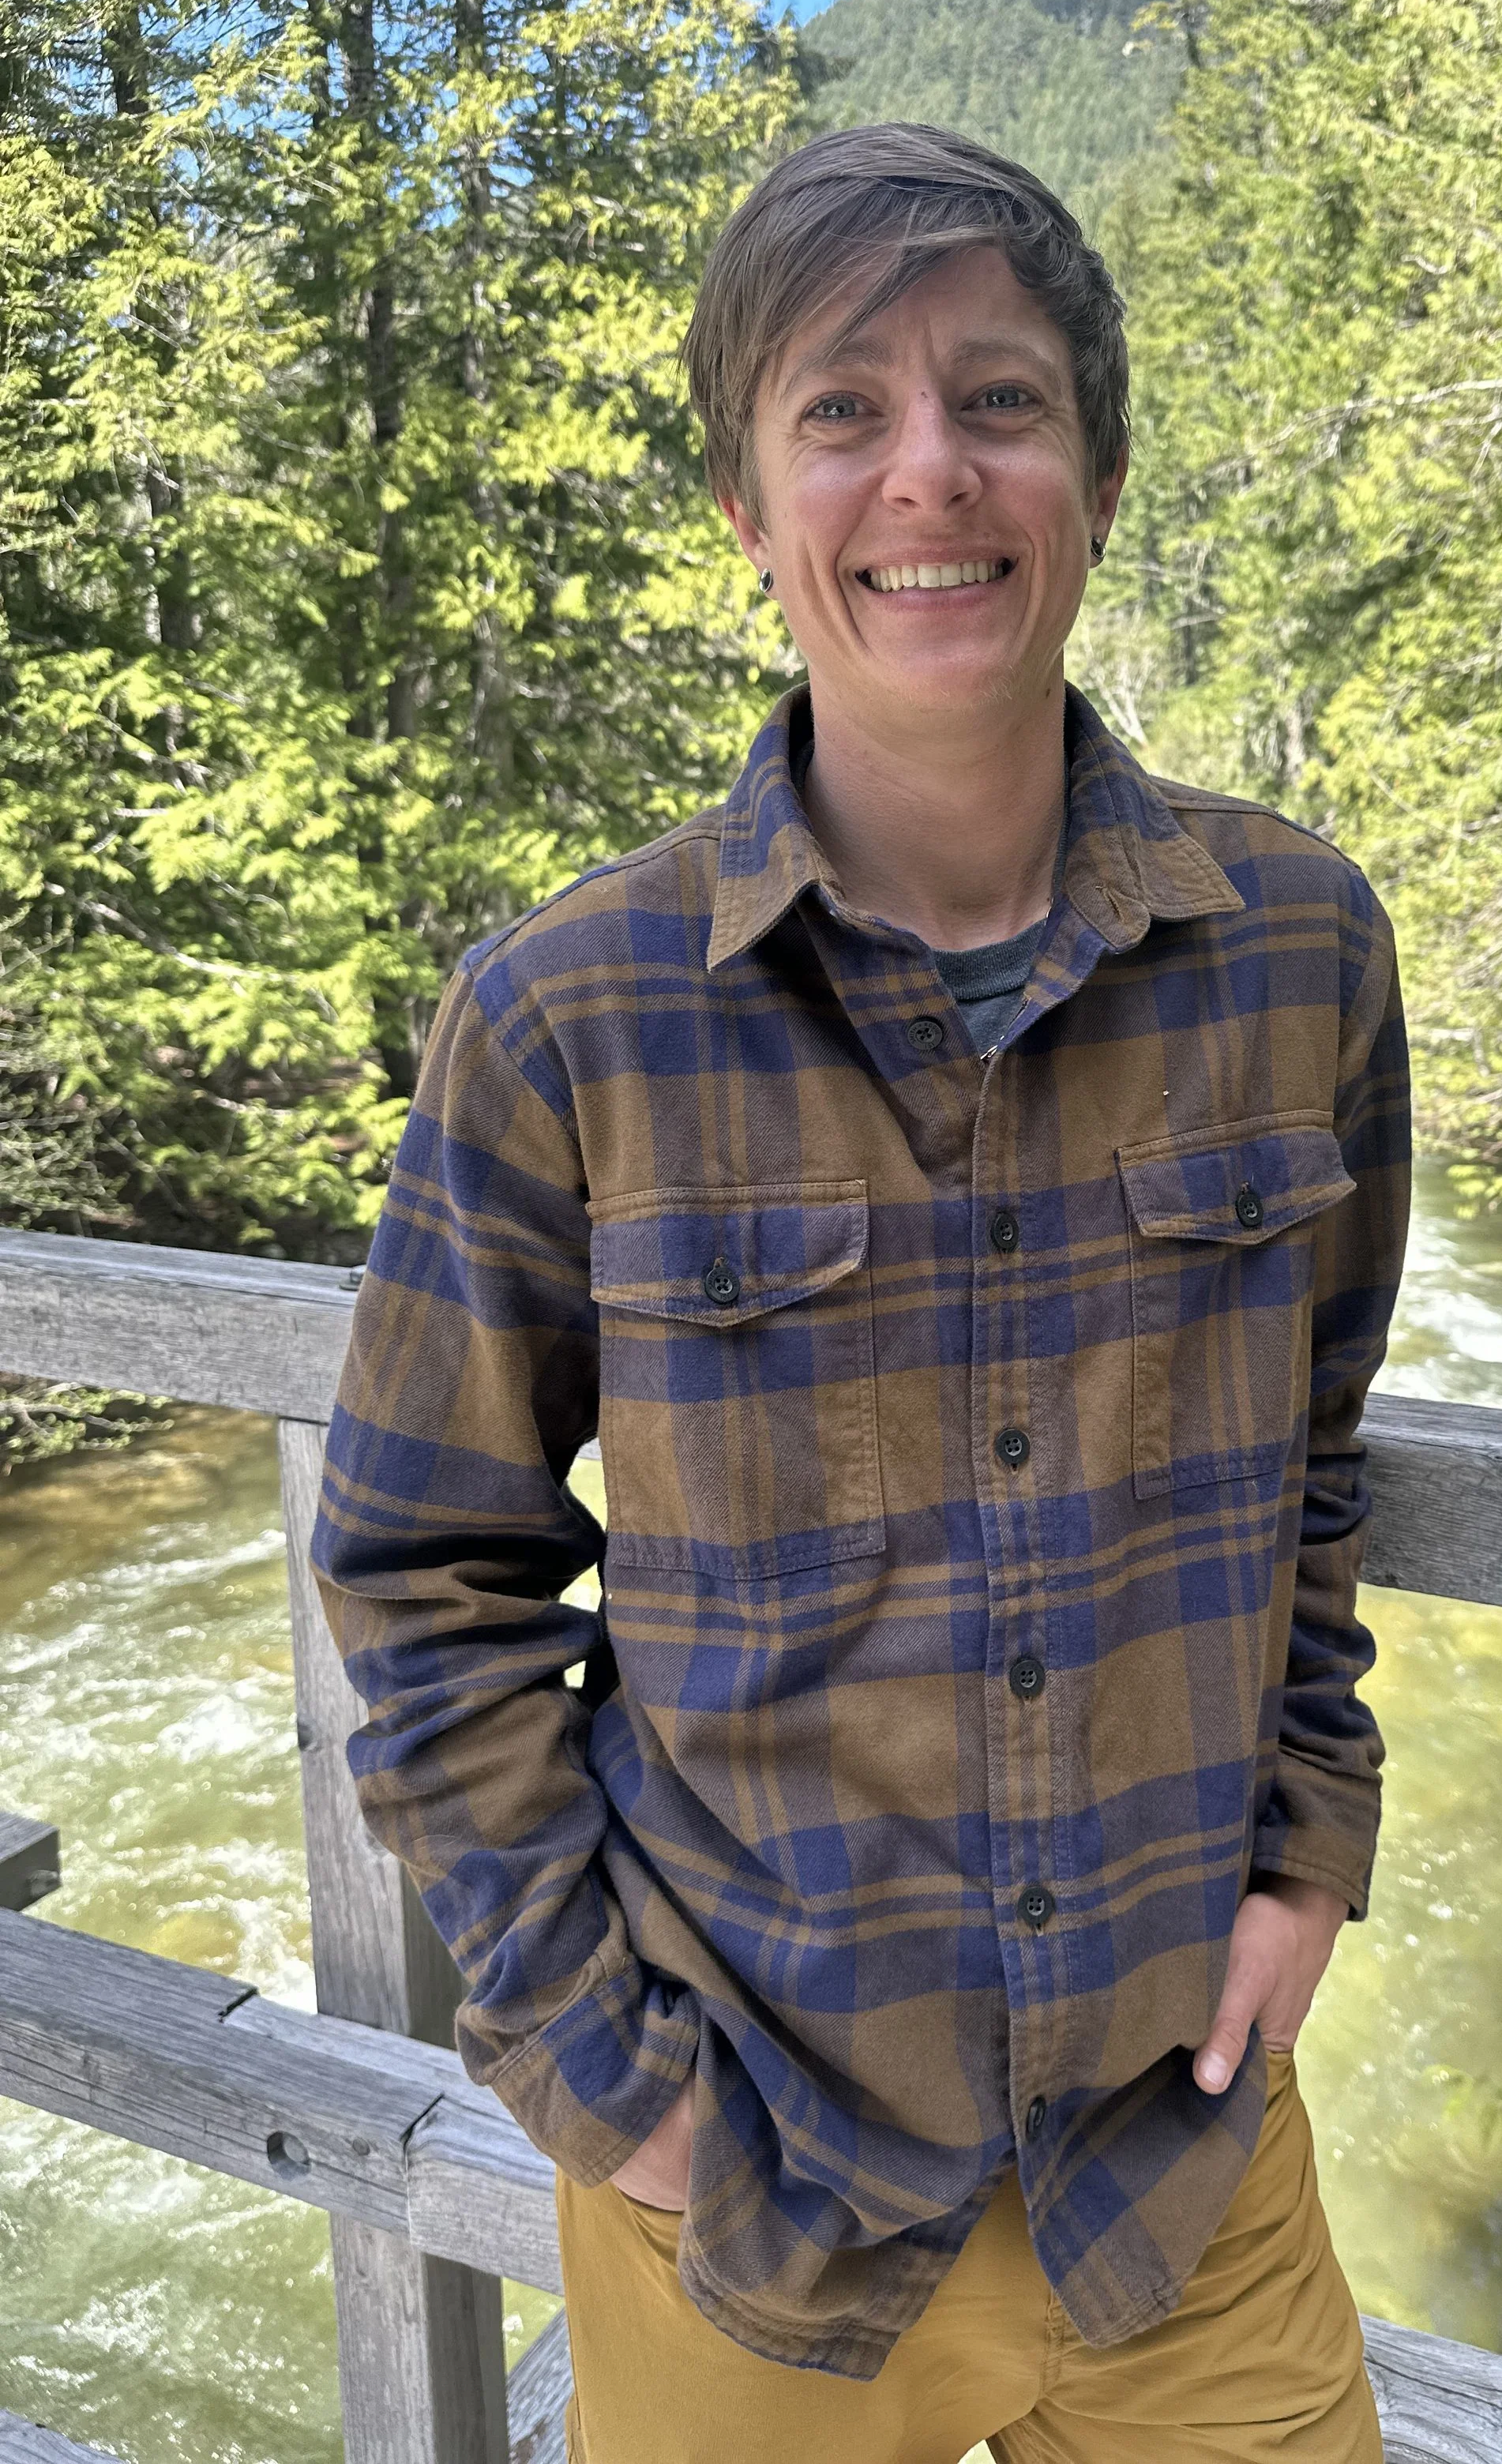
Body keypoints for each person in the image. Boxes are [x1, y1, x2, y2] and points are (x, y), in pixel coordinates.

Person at [313, 121, 1410, 2463]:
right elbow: (424, 1570)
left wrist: (1308, 1844)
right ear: (747, 502)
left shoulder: (1298, 950)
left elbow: (1312, 1463)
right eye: (843, 410)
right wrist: (610, 2083)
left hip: (1178, 2163)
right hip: (750, 2212)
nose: (932, 470)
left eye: (999, 398)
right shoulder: (565, 1016)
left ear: (1094, 472)